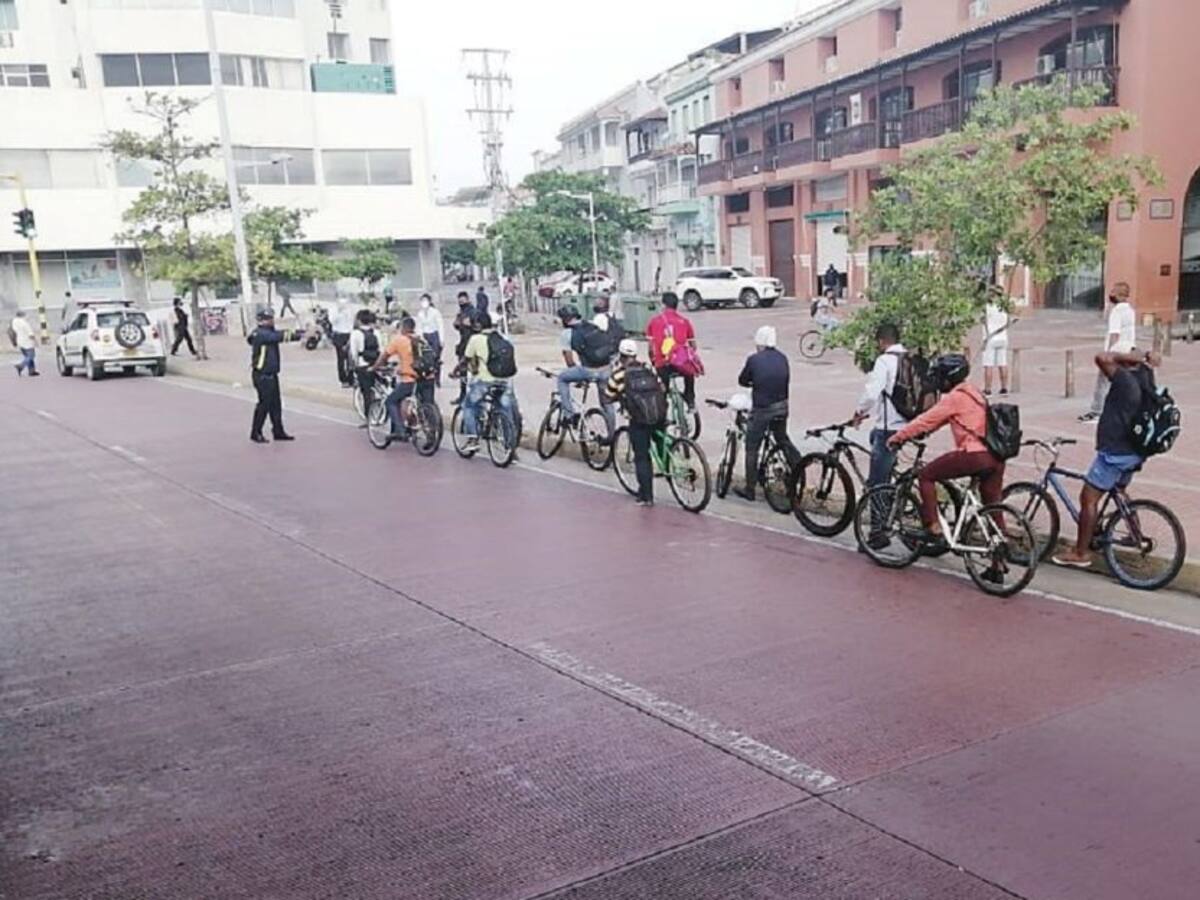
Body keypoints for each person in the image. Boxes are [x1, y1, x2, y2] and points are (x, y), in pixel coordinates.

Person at [1054, 349, 1163, 569]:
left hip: (1116, 451)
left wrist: (1134, 357)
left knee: (1089, 498)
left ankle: (1081, 552)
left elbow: (1102, 357)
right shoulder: (1145, 375)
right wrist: (1143, 359)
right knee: (1120, 492)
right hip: (1134, 450)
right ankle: (1135, 534)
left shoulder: (1125, 379)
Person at [888, 354, 1003, 551]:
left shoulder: (954, 398)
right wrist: (925, 432)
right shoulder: (974, 393)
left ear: (948, 378)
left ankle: (933, 527)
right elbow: (939, 422)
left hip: (973, 455)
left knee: (926, 475)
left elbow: (926, 419)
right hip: (995, 457)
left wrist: (898, 437)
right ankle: (998, 561)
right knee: (993, 508)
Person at [852, 323, 908, 545]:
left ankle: (877, 533)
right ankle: (897, 501)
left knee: (877, 482)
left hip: (889, 428)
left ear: (882, 341)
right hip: (909, 425)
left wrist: (859, 412)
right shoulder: (910, 359)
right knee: (889, 471)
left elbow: (871, 393)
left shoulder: (885, 361)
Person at [735, 326, 800, 502]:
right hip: (782, 407)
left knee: (752, 447)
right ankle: (798, 466)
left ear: (759, 343)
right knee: (782, 438)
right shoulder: (783, 358)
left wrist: (753, 383)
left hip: (763, 409)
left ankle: (750, 489)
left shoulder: (754, 359)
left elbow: (742, 380)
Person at [604, 338, 663, 507]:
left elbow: (608, 395)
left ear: (621, 356)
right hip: (658, 416)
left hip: (639, 420)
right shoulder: (649, 369)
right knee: (660, 440)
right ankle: (668, 465)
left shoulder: (618, 375)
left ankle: (646, 496)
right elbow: (661, 387)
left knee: (642, 457)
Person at [1080, 282, 1136, 422]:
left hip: (1116, 352)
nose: (1110, 294)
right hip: (1128, 351)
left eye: (1113, 292)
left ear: (1120, 295)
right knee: (1122, 381)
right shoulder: (1130, 311)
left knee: (1103, 382)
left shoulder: (1116, 312)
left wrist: (1108, 354)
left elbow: (1114, 334)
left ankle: (1097, 411)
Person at [554, 305, 616, 431]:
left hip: (589, 370)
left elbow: (569, 361)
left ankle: (569, 415)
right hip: (606, 368)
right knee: (606, 403)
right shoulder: (592, 325)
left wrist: (578, 378)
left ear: (564, 320)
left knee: (562, 378)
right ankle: (612, 434)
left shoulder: (567, 333)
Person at [461, 312, 517, 449]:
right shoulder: (503, 337)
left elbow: (466, 359)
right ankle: (510, 447)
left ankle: (472, 439)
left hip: (485, 381)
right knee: (505, 410)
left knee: (468, 405)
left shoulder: (476, 339)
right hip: (505, 380)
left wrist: (455, 372)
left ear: (478, 324)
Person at [247, 308, 302, 443]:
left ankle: (278, 431)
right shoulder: (260, 334)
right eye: (268, 319)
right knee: (264, 405)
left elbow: (279, 334)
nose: (271, 320)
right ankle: (256, 432)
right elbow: (280, 336)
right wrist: (302, 334)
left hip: (271, 374)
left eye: (271, 318)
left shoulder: (266, 332)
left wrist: (302, 332)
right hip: (262, 375)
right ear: (261, 320)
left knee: (276, 404)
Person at [374, 316, 430, 441]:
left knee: (391, 401)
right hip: (425, 378)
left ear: (403, 328)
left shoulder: (399, 340)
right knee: (418, 402)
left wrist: (375, 367)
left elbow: (384, 356)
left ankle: (400, 431)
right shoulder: (421, 339)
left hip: (409, 379)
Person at [646, 292, 697, 411]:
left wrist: (653, 361)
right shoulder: (685, 321)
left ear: (663, 305)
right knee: (689, 373)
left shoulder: (654, 322)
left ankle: (662, 411)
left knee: (662, 389)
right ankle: (690, 400)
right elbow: (693, 347)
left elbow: (650, 349)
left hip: (663, 364)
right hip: (680, 364)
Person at [349, 309, 381, 424]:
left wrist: (354, 367)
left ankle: (369, 419)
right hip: (376, 364)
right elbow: (380, 349)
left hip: (363, 365)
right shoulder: (376, 332)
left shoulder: (355, 334)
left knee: (366, 392)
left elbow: (353, 353)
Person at [981, 300, 1012, 396]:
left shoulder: (986, 306)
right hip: (1002, 337)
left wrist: (986, 336)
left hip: (990, 338)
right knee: (1002, 363)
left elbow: (984, 321)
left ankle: (987, 389)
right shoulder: (1004, 306)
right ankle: (1004, 388)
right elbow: (1008, 322)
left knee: (988, 365)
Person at [451, 291, 477, 404]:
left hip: (473, 343)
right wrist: (460, 323)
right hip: (463, 344)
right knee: (463, 372)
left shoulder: (474, 312)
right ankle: (462, 395)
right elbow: (456, 324)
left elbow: (478, 326)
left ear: (467, 299)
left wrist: (470, 324)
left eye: (463, 299)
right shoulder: (460, 312)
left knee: (476, 370)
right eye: (459, 300)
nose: (461, 302)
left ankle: (475, 394)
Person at [415, 293, 445, 385]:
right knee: (426, 358)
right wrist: (420, 338)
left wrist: (441, 339)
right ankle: (427, 376)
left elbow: (440, 325)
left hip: (434, 335)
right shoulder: (420, 314)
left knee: (436, 358)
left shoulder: (435, 312)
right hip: (425, 336)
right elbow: (419, 327)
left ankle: (437, 378)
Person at [331, 297, 358, 388]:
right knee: (341, 358)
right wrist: (339, 311)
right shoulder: (334, 310)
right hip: (339, 335)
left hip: (349, 334)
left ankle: (351, 378)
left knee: (351, 357)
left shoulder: (350, 310)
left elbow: (353, 321)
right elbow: (332, 321)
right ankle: (343, 379)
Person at [10, 309, 38, 376]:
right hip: (27, 341)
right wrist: (35, 341)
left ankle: (32, 371)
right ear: (22, 315)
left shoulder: (14, 322)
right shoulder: (24, 323)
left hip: (19, 341)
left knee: (27, 356)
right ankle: (21, 366)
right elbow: (30, 334)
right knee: (31, 356)